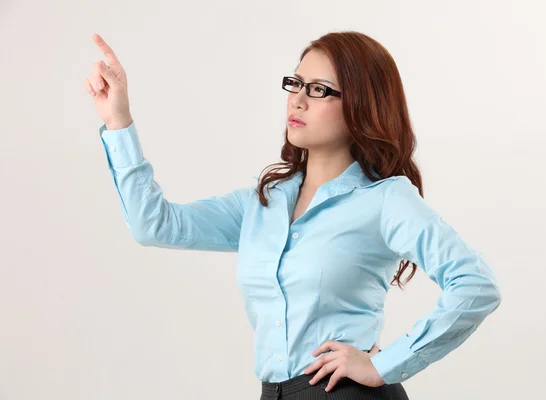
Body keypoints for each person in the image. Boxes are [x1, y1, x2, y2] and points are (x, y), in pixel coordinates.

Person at [85, 31, 502, 400]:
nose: (298, 99)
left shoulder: (385, 200)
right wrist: (118, 121)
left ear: (360, 103)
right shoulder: (262, 202)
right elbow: (153, 225)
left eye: (319, 89)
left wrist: (385, 364)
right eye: (296, 83)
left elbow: (475, 285)